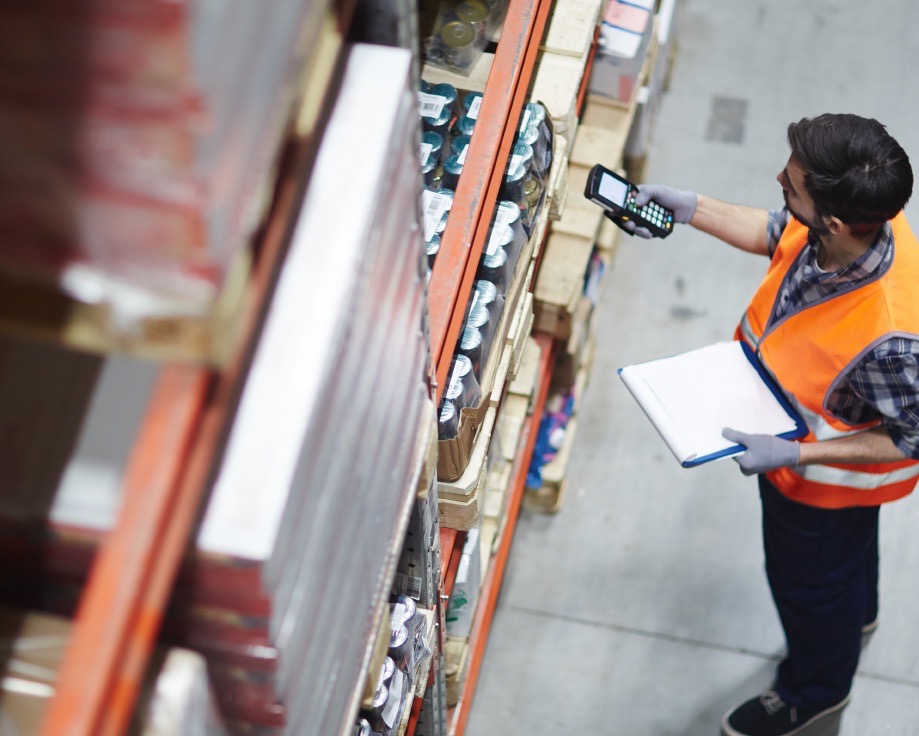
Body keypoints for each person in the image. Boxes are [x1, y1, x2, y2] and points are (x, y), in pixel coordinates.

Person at [622, 113, 919, 736]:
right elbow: (779, 231)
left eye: (791, 185)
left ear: (834, 221)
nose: (776, 186)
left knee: (809, 589)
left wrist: (798, 457)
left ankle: (813, 693)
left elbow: (913, 435)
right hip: (792, 455)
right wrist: (691, 207)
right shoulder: (855, 230)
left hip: (820, 490)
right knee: (845, 579)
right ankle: (855, 619)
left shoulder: (892, 339)